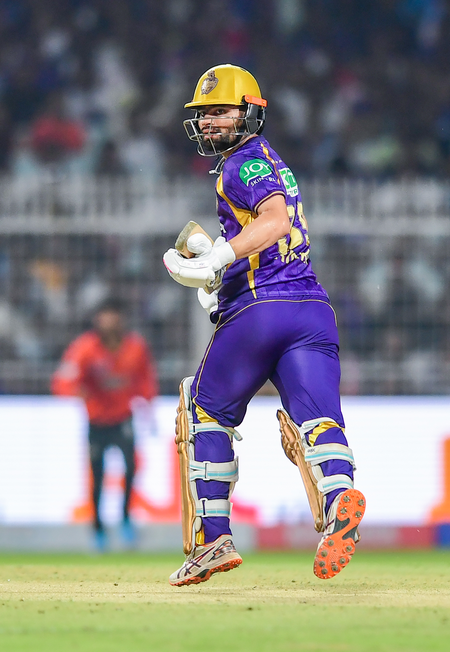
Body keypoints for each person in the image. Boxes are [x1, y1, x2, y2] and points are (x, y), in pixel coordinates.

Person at [163, 64, 366, 587]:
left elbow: (274, 221)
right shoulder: (269, 160)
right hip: (312, 310)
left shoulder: (242, 162)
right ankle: (340, 499)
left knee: (202, 410)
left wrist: (218, 259)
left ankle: (212, 540)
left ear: (250, 113)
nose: (209, 122)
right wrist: (223, 271)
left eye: (220, 111)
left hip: (261, 309)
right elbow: (271, 233)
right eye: (204, 113)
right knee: (317, 421)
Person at [51, 298, 158, 550]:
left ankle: (125, 519)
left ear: (122, 319)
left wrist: (148, 406)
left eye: (114, 315)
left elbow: (146, 379)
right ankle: (97, 529)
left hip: (123, 418)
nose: (110, 321)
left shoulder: (135, 347)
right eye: (105, 315)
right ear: (97, 319)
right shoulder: (85, 348)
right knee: (97, 475)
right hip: (96, 420)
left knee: (131, 467)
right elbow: (63, 380)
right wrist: (76, 391)